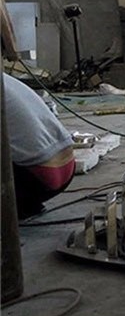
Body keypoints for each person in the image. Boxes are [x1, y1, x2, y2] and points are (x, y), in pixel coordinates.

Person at [3, 72, 76, 219]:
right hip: (67, 168)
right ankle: (26, 206)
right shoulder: (6, 79)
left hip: (38, 178)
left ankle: (17, 205)